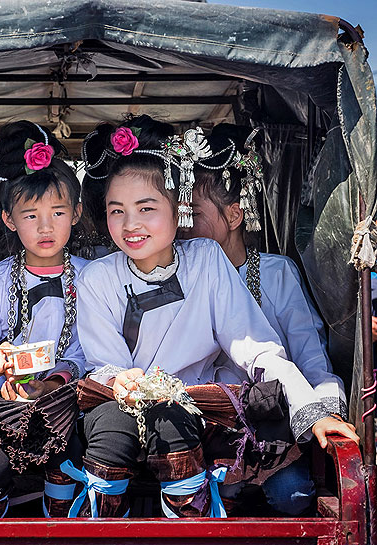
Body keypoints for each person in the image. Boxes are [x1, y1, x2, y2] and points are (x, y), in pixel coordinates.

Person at [73, 114, 358, 519]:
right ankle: (100, 529)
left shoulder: (206, 260)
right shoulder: (97, 277)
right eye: (116, 211)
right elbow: (107, 365)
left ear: (179, 210)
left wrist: (313, 410)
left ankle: (189, 524)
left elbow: (256, 347)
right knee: (110, 433)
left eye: (146, 208)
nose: (130, 224)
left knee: (176, 424)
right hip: (122, 409)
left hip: (193, 414)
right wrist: (122, 380)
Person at [184, 123, 348, 514]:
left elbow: (309, 352)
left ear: (234, 215)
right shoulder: (180, 274)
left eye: (194, 214)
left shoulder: (276, 273)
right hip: (201, 425)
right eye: (181, 214)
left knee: (294, 495)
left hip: (268, 422)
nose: (183, 226)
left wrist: (323, 410)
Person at [0, 120, 87, 518]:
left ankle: (63, 520)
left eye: (58, 212)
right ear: (9, 219)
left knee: (69, 446)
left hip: (68, 404)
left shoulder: (92, 277)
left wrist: (51, 385)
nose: (45, 227)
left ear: (77, 214)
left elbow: (88, 355)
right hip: (5, 406)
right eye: (30, 215)